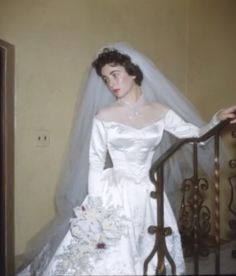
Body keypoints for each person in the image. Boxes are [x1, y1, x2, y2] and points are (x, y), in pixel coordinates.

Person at [17, 42, 236, 276]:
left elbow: (195, 136)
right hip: (113, 192)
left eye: (115, 75)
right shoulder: (104, 115)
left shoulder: (160, 111)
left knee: (150, 252)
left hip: (149, 192)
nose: (111, 84)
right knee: (106, 254)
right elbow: (96, 161)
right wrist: (96, 208)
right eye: (106, 79)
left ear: (132, 72)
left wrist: (215, 120)